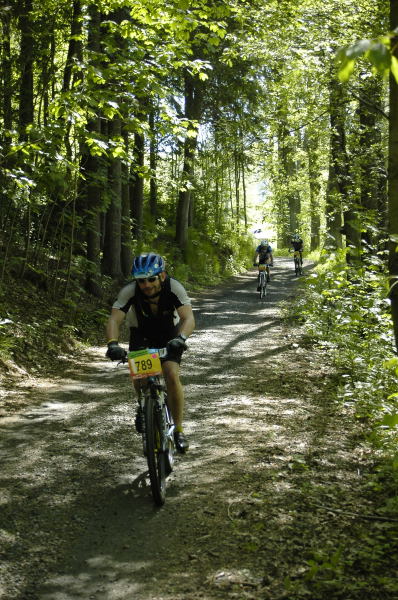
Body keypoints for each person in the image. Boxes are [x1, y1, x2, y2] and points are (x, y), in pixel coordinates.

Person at [105, 252, 195, 453]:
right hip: (141, 333)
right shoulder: (129, 291)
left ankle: (179, 429)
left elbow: (188, 318)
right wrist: (112, 344)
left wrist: (181, 339)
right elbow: (114, 319)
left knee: (171, 374)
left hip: (169, 335)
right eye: (141, 281)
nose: (146, 285)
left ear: (161, 276)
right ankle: (143, 405)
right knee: (141, 377)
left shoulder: (174, 287)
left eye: (151, 279)